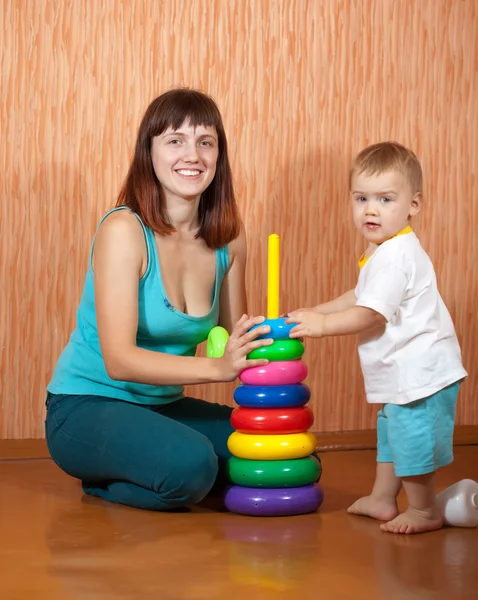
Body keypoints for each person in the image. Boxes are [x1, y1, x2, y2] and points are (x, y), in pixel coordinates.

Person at [45, 88, 274, 511]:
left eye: (205, 142)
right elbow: (120, 360)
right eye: (175, 141)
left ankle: (168, 468)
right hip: (86, 406)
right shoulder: (124, 231)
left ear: (218, 156)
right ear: (148, 153)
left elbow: (234, 337)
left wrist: (278, 342)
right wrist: (216, 368)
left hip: (162, 407)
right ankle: (105, 479)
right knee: (192, 467)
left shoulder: (229, 238)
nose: (193, 155)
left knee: (280, 457)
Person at [286, 141, 467, 534]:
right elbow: (359, 295)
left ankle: (423, 510)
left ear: (412, 206)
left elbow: (370, 313)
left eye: (386, 199)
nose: (371, 209)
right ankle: (383, 498)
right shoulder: (382, 250)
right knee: (391, 434)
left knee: (412, 443)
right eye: (362, 198)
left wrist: (322, 326)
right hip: (405, 375)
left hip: (421, 376)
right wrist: (318, 311)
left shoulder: (397, 256)